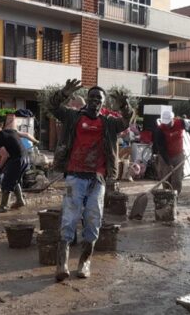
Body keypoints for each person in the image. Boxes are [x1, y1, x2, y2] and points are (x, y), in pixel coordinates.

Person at [49, 79, 133, 282]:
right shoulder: (72, 117)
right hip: (74, 177)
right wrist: (63, 93)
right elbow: (53, 107)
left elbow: (126, 121)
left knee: (93, 221)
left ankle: (85, 262)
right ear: (87, 100)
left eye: (99, 98)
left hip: (97, 179)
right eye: (92, 97)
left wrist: (125, 105)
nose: (95, 100)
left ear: (103, 103)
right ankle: (62, 264)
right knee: (69, 219)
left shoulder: (109, 123)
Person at [0, 122, 29, 213]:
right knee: (15, 179)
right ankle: (20, 200)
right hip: (25, 158)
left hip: (17, 160)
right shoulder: (10, 131)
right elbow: (26, 135)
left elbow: (5, 155)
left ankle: (3, 206)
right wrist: (36, 141)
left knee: (6, 182)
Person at [153, 110, 190, 194]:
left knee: (177, 179)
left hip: (179, 154)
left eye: (169, 122)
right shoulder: (160, 130)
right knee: (166, 178)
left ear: (173, 119)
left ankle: (175, 196)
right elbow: (161, 148)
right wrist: (169, 163)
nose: (167, 125)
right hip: (165, 156)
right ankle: (166, 195)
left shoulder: (181, 123)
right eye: (165, 123)